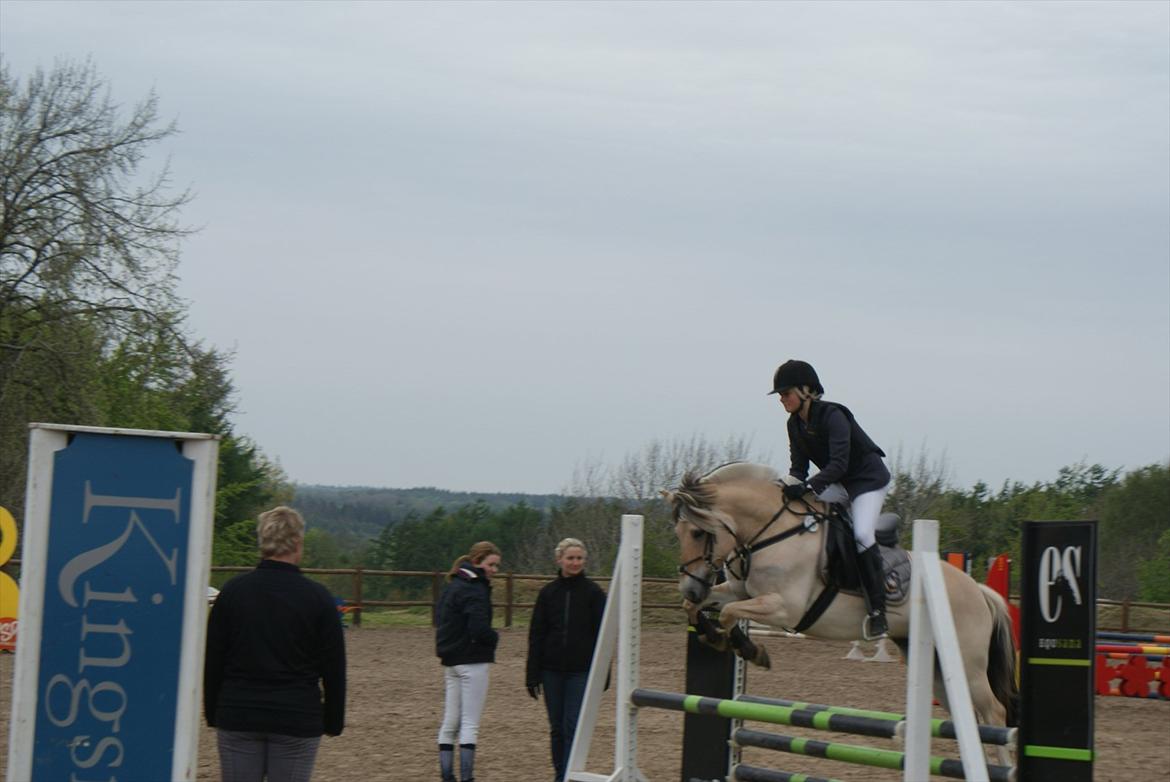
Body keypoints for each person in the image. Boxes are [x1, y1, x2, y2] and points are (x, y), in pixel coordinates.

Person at [204, 506, 346, 782]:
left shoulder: (233, 592)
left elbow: (214, 659)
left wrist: (213, 711)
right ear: (297, 542)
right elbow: (334, 668)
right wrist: (333, 721)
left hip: (239, 714)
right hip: (296, 716)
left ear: (262, 541)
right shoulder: (318, 598)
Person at [769, 359, 892, 640]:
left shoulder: (833, 415)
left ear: (805, 391)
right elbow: (798, 468)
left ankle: (878, 611)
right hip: (839, 483)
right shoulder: (795, 425)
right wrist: (789, 488)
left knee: (861, 534)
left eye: (785, 393)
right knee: (801, 514)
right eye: (780, 395)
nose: (782, 399)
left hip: (867, 481)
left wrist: (808, 486)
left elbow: (839, 463)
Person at [525, 538, 607, 782]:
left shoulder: (594, 593)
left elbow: (603, 635)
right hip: (551, 671)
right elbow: (536, 634)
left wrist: (604, 671)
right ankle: (560, 773)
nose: (575, 563)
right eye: (570, 558)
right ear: (559, 559)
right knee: (557, 728)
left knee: (572, 726)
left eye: (579, 558)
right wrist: (532, 673)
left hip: (580, 672)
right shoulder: (548, 593)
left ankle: (569, 776)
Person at [435, 541, 502, 782]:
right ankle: (466, 778)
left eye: (496, 566)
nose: (494, 570)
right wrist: (494, 638)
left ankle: (447, 775)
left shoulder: (454, 585)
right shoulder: (476, 589)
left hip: (450, 660)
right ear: (477, 562)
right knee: (470, 723)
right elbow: (479, 628)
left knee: (450, 721)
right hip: (472, 660)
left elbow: (438, 618)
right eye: (491, 564)